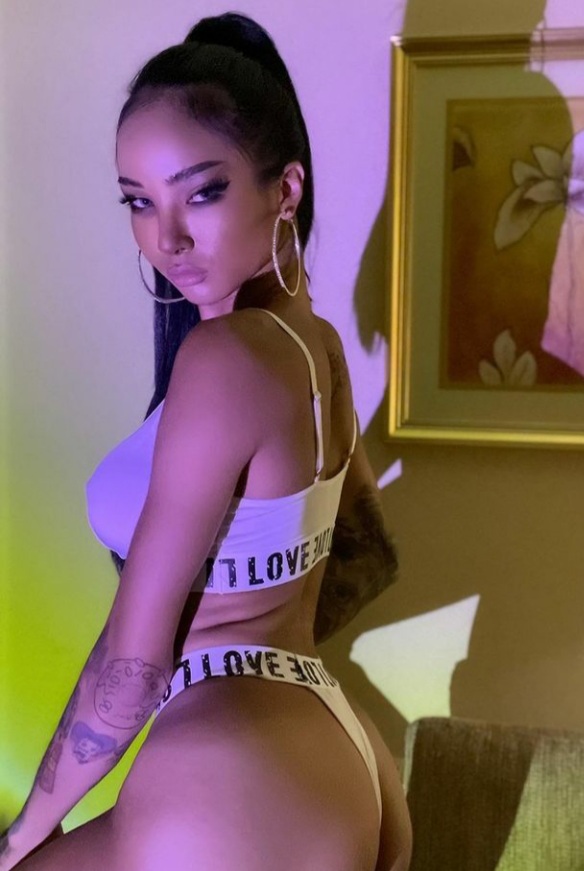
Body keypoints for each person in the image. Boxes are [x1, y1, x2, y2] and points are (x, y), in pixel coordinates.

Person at [0, 12, 412, 870]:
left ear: (285, 189)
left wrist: (26, 830)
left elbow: (134, 660)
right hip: (340, 754)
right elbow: (368, 552)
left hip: (233, 774)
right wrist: (248, 613)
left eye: (201, 191)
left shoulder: (225, 355)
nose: (167, 237)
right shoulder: (316, 345)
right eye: (138, 200)